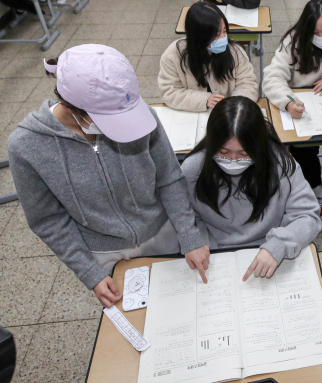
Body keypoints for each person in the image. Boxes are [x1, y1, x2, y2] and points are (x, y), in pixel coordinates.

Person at [8, 45, 211, 308]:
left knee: (182, 308)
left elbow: (169, 177)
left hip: (162, 230)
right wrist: (89, 272)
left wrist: (188, 234)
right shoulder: (26, 146)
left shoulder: (143, 116)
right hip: (104, 252)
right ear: (71, 107)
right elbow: (48, 220)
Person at [181, 96, 322, 279]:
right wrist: (196, 242)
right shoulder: (193, 168)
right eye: (223, 152)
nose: (233, 160)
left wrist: (279, 245)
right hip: (213, 256)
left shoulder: (282, 165)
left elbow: (308, 216)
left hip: (270, 250)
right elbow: (183, 217)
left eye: (243, 153)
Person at [263, 0, 322, 219]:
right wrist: (287, 101)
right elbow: (271, 77)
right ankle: (314, 187)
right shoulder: (293, 42)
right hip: (303, 105)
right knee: (302, 147)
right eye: (316, 32)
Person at [158, 2, 259, 112]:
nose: (223, 38)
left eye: (224, 31)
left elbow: (249, 84)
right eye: (216, 35)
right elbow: (170, 92)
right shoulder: (174, 55)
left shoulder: (235, 51)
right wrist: (204, 100)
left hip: (229, 113)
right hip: (191, 115)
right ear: (199, 36)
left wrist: (233, 104)